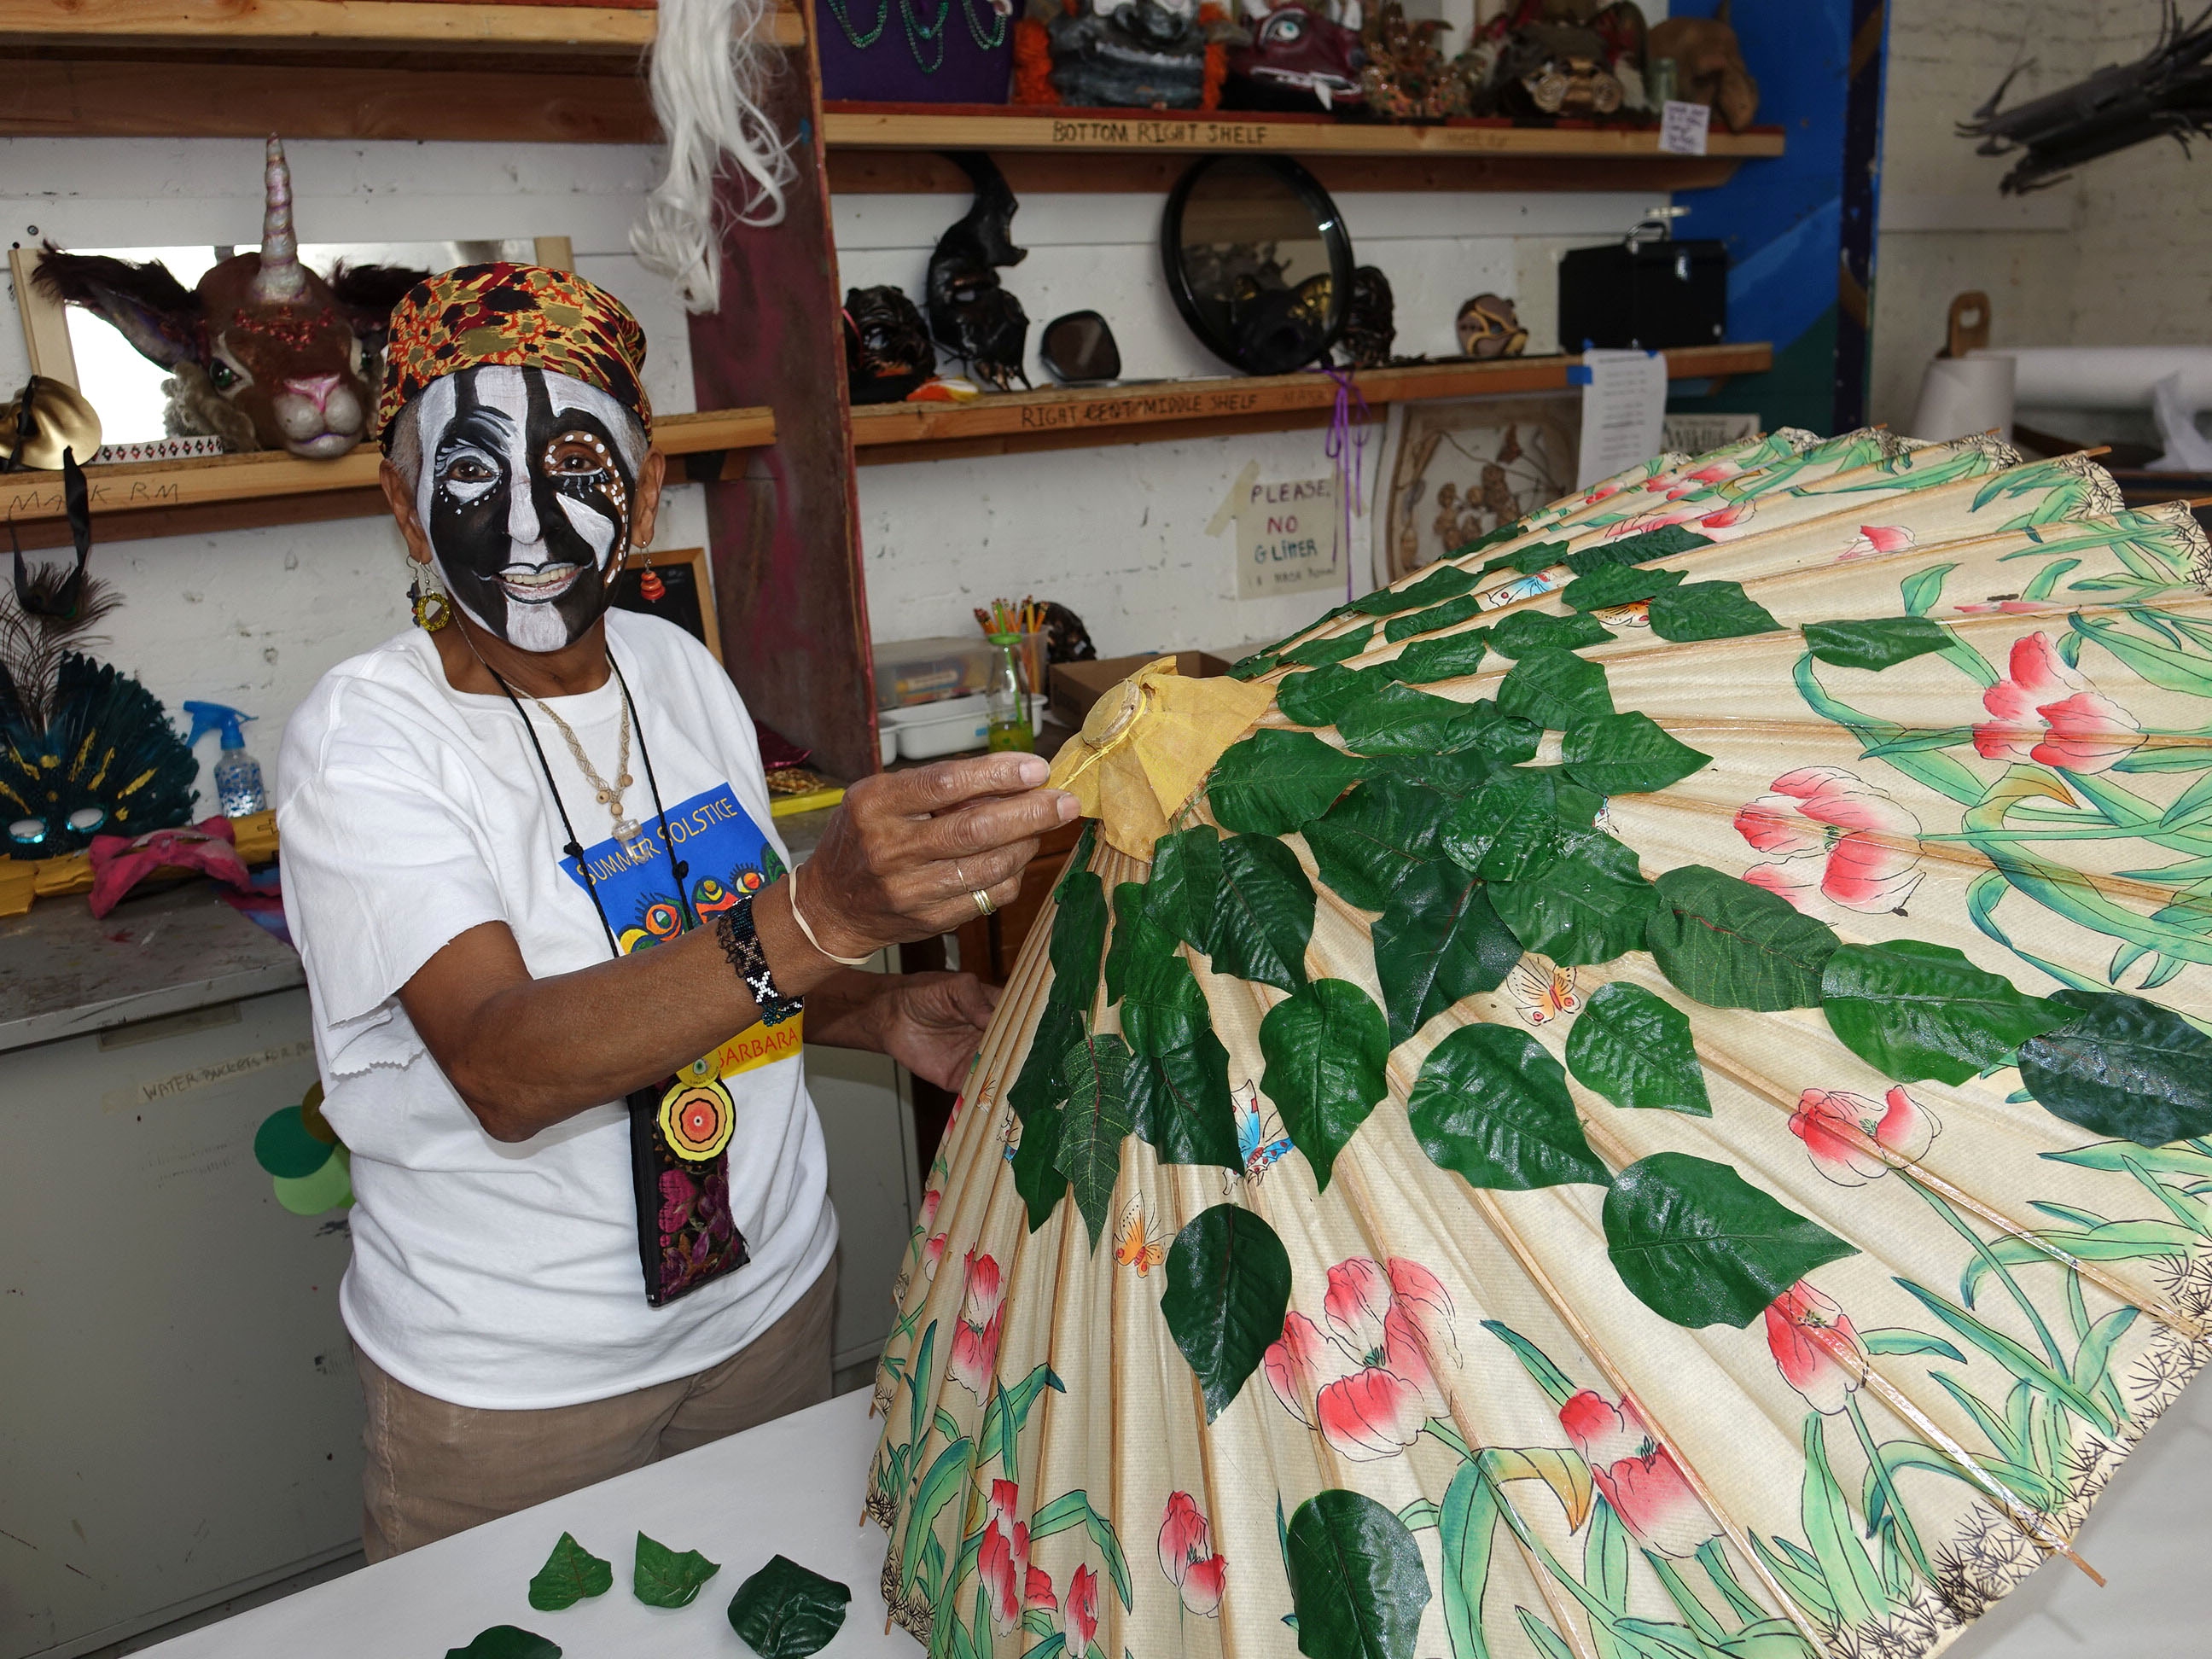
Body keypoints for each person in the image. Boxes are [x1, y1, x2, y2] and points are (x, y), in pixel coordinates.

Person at [276, 264, 1074, 1559]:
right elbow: (504, 1068)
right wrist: (825, 912)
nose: (528, 527)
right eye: (470, 472)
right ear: (404, 508)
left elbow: (705, 958)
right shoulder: (367, 741)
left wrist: (872, 1013)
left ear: (644, 498)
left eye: (577, 465)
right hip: (521, 1386)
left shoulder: (676, 667)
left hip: (766, 1314)